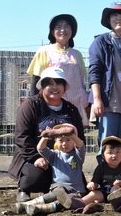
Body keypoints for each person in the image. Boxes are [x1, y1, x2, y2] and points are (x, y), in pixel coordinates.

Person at [9, 67, 85, 202]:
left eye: (59, 83)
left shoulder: (71, 109)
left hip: (63, 159)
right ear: (42, 87)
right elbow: (22, 136)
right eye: (49, 83)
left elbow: (80, 138)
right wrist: (35, 157)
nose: (55, 87)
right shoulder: (30, 106)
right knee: (33, 180)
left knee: (80, 185)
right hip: (37, 157)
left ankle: (54, 193)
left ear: (64, 87)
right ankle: (24, 188)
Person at [88, 2, 121, 161]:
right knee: (107, 144)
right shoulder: (100, 42)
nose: (120, 18)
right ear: (109, 19)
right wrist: (97, 99)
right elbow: (94, 72)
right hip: (108, 102)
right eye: (115, 14)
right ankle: (104, 181)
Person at [27, 14, 90, 126]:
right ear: (52, 32)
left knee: (74, 139)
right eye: (58, 27)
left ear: (72, 31)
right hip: (52, 105)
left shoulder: (77, 54)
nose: (63, 30)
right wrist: (33, 104)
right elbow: (35, 80)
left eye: (67, 26)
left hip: (76, 106)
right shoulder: (44, 51)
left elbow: (82, 82)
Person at [15, 124, 89, 216]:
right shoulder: (54, 155)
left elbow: (81, 145)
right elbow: (40, 149)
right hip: (58, 187)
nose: (64, 143)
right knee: (56, 194)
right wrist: (46, 137)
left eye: (68, 140)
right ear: (55, 142)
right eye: (60, 141)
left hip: (76, 190)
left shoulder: (78, 156)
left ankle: (38, 208)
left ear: (74, 141)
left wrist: (72, 134)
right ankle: (28, 205)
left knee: (68, 200)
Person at [84, 136, 121, 212]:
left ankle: (116, 205)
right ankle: (78, 203)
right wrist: (92, 185)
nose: (114, 155)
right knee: (93, 194)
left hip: (120, 193)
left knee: (115, 188)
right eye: (110, 153)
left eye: (117, 152)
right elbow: (96, 182)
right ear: (103, 156)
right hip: (104, 192)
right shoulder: (101, 167)